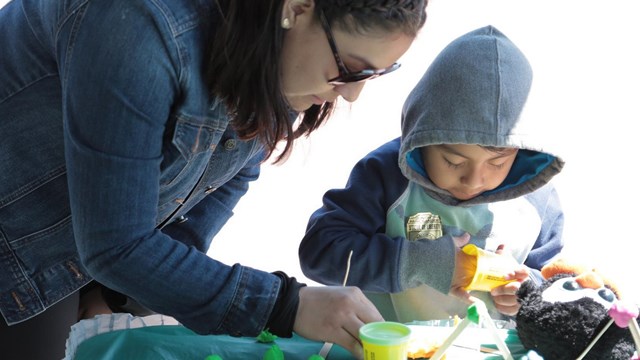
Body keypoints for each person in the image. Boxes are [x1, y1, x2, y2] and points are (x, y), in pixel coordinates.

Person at [0, 0, 428, 358]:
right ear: (298, 9)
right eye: (350, 69)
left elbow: (228, 174)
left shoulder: (287, 53)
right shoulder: (139, 22)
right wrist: (286, 306)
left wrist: (122, 294)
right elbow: (115, 244)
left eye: (375, 74)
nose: (352, 93)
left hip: (92, 236)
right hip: (17, 237)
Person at [299, 25, 566, 323]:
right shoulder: (386, 175)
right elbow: (319, 253)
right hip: (388, 347)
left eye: (496, 163)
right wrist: (419, 262)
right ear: (421, 141)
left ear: (520, 153)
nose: (474, 180)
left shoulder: (536, 200)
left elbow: (560, 287)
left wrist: (530, 291)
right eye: (453, 161)